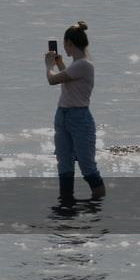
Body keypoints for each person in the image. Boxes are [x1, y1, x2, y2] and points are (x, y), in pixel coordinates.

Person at [45, 21, 105, 203]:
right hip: (63, 115)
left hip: (79, 118)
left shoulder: (84, 65)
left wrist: (49, 65)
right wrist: (61, 65)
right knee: (64, 165)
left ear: (69, 43)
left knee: (87, 166)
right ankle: (66, 204)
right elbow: (69, 82)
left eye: (65, 44)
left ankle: (98, 206)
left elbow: (52, 80)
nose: (64, 48)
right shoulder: (76, 65)